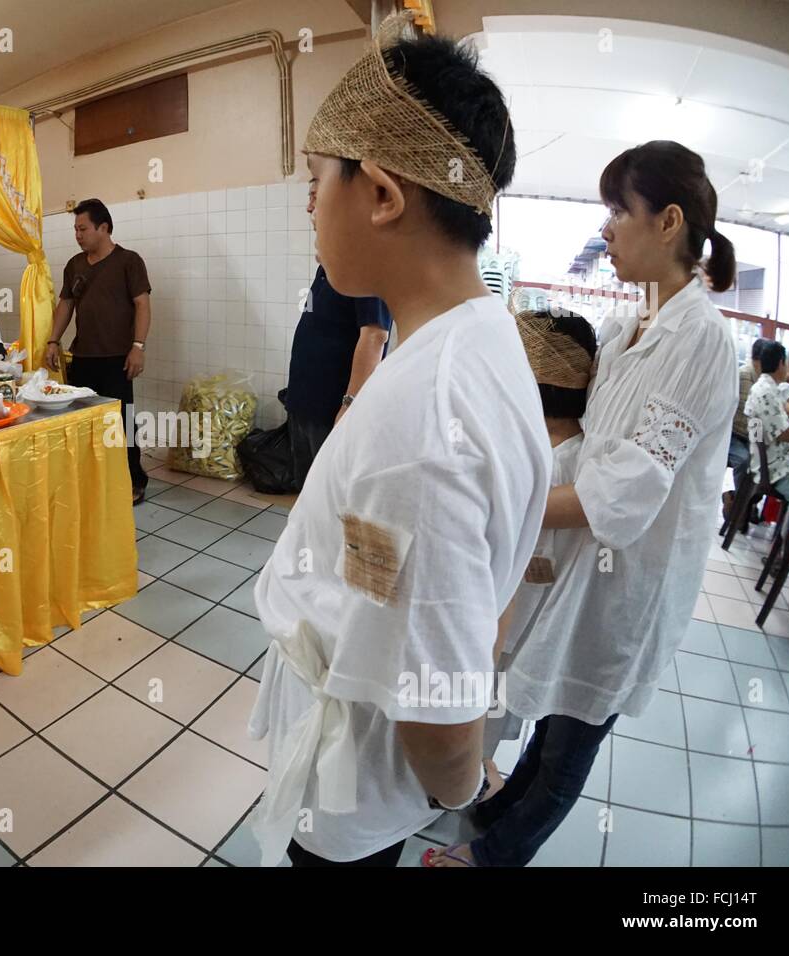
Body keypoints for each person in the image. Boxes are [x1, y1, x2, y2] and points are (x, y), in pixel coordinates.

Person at [247, 16, 546, 869]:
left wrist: (455, 789)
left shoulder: (426, 419)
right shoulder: (477, 336)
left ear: (380, 194)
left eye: (317, 180)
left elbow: (439, 705)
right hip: (360, 750)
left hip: (357, 788)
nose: (309, 204)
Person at [430, 140, 739, 868]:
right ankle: (496, 811)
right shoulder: (624, 327)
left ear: (667, 222)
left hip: (633, 579)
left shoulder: (701, 340)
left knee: (574, 737)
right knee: (558, 713)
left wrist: (500, 501)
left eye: (616, 211)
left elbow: (621, 498)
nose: (605, 230)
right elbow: (584, 439)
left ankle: (495, 856)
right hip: (588, 570)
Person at [482, 309, 597, 759]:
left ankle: (455, 786)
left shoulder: (553, 463)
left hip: (507, 619)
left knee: (478, 712)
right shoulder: (573, 452)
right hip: (517, 623)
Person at [285, 177, 392, 488]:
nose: (309, 207)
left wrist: (349, 405)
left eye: (315, 196)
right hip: (306, 405)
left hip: (332, 410)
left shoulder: (365, 260)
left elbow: (375, 336)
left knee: (331, 503)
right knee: (307, 498)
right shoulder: (331, 263)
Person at [45, 198, 152, 504]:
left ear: (103, 228)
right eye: (75, 229)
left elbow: (142, 304)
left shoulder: (129, 261)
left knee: (123, 420)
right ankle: (93, 478)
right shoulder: (75, 265)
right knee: (84, 422)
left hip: (118, 358)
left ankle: (135, 480)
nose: (77, 235)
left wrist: (138, 347)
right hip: (83, 359)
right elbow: (66, 305)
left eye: (83, 228)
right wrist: (53, 340)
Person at [744, 341, 789, 515]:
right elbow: (786, 434)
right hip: (776, 470)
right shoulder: (766, 392)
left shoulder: (771, 387)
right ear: (781, 363)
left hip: (777, 461)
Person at [725, 336, 770, 523]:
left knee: (767, 469)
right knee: (745, 461)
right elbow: (742, 417)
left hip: (750, 437)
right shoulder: (744, 376)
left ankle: (737, 501)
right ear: (757, 360)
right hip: (733, 435)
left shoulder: (765, 382)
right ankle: (740, 509)